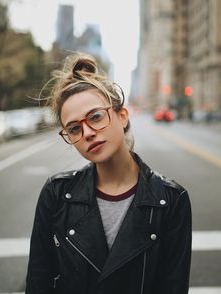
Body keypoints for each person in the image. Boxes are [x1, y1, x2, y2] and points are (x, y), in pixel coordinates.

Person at [25, 53, 192, 294]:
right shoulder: (56, 194)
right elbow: (38, 283)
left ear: (122, 116)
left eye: (95, 117)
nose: (88, 132)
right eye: (74, 128)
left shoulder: (171, 200)